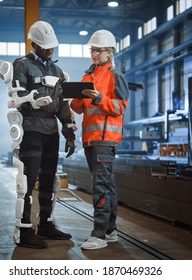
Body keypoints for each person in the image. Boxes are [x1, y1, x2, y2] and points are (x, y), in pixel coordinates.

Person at [12, 21, 76, 249]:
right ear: (34, 44)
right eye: (46, 47)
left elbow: (62, 107)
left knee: (49, 180)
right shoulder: (21, 65)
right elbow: (16, 98)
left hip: (51, 133)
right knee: (27, 181)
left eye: (52, 47)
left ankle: (46, 224)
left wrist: (69, 133)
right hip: (31, 131)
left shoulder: (58, 72)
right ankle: (25, 229)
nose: (50, 51)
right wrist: (32, 102)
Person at [70, 30, 129, 250]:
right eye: (92, 50)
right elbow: (79, 107)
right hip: (90, 139)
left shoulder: (116, 76)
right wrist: (75, 98)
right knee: (107, 186)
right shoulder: (88, 76)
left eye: (99, 50)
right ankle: (110, 231)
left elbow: (120, 107)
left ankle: (99, 235)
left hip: (106, 139)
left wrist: (100, 98)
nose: (94, 54)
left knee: (100, 187)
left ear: (110, 51)